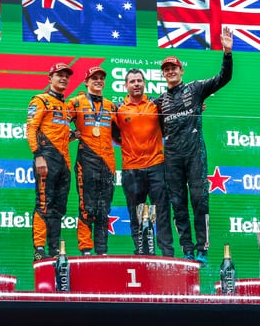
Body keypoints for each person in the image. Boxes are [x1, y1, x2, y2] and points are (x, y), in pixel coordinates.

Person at [156, 26, 234, 265]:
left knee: (200, 200)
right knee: (178, 205)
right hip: (172, 157)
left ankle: (202, 248)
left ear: (181, 70)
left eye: (174, 68)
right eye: (166, 69)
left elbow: (223, 78)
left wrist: (227, 53)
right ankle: (187, 250)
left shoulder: (196, 88)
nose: (170, 71)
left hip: (195, 154)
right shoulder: (158, 102)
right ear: (163, 74)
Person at [113, 69, 174, 257]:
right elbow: (114, 135)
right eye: (132, 81)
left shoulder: (156, 105)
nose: (136, 84)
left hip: (157, 165)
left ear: (144, 83)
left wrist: (199, 106)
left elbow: (175, 115)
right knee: (136, 213)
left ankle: (167, 253)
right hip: (131, 169)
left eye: (139, 80)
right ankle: (141, 252)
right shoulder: (118, 109)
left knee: (162, 211)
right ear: (126, 85)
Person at [26, 62, 74, 262]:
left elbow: (57, 133)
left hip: (64, 162)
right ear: (50, 78)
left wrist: (73, 135)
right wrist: (38, 155)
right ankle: (39, 249)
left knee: (58, 208)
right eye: (59, 75)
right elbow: (31, 128)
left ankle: (54, 249)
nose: (63, 78)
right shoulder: (40, 100)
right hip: (46, 158)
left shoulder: (66, 106)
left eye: (66, 76)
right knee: (44, 204)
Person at [67, 66, 118, 255]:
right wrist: (72, 134)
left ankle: (102, 252)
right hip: (86, 160)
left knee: (104, 210)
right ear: (86, 82)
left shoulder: (111, 106)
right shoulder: (76, 102)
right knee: (87, 207)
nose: (98, 81)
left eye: (101, 78)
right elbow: (57, 123)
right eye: (94, 78)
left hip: (108, 163)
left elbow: (124, 131)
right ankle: (86, 250)